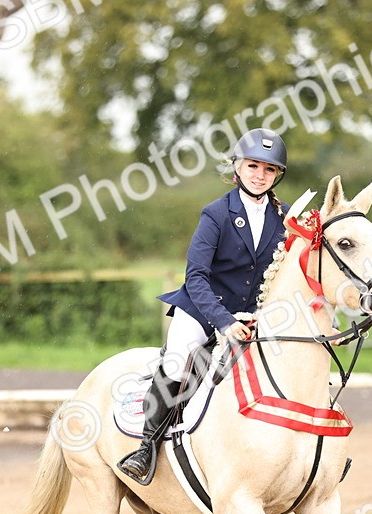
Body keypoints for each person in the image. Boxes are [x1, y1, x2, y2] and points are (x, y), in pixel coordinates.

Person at [117, 127, 291, 484]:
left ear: (277, 175)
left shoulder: (285, 217)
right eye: (253, 166)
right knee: (179, 358)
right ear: (237, 167)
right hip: (203, 307)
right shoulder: (215, 214)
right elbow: (196, 276)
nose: (260, 175)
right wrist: (224, 323)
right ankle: (146, 448)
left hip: (254, 314)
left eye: (269, 170)